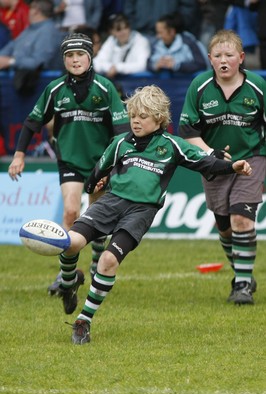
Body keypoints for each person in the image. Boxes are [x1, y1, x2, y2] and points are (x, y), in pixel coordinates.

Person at [50, 84, 251, 345]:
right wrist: (94, 185)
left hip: (140, 212)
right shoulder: (119, 142)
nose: (136, 120)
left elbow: (205, 162)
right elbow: (96, 174)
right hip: (110, 203)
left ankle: (84, 320)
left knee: (108, 262)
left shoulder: (171, 145)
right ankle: (68, 282)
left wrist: (232, 167)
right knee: (70, 243)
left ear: (159, 119)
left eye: (143, 116)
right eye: (133, 115)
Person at [8, 33, 130, 294]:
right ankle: (68, 275)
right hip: (70, 161)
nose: (75, 60)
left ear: (90, 57)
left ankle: (97, 265)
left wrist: (111, 166)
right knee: (71, 214)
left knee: (97, 219)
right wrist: (18, 155)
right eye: (69, 56)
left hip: (102, 163)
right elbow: (32, 122)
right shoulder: (55, 89)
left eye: (80, 55)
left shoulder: (106, 88)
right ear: (64, 60)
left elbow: (122, 132)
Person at [178, 29, 266, 305]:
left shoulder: (258, 86)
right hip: (215, 164)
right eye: (218, 55)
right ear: (209, 59)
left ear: (241, 58)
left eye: (229, 55)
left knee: (242, 219)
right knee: (225, 226)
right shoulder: (200, 86)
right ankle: (241, 271)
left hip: (252, 158)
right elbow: (187, 130)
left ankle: (241, 284)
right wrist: (210, 153)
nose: (224, 60)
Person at [0, 0, 63, 72]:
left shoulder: (48, 32)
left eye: (30, 8)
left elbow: (39, 62)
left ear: (36, 11)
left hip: (40, 80)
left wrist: (11, 61)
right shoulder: (30, 29)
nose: (28, 11)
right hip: (20, 77)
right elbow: (12, 45)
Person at [93, 13, 151, 79]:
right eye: (118, 29)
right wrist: (110, 68)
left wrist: (117, 68)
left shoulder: (141, 41)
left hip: (136, 82)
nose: (123, 32)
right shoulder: (111, 40)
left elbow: (142, 66)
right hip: (116, 81)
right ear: (112, 32)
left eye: (126, 28)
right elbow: (97, 62)